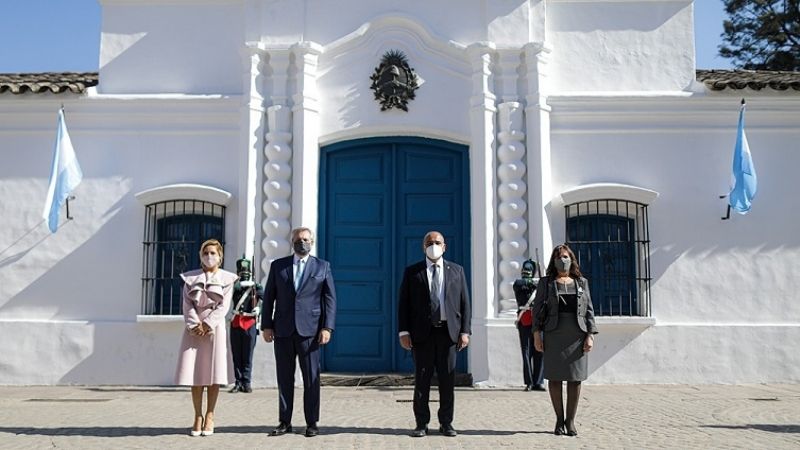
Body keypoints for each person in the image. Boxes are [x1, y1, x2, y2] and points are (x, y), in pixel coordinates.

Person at [261, 227, 337, 438]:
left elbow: (330, 300)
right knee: (284, 378)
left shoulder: (322, 267)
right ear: (292, 241)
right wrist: (266, 325)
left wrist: (327, 327)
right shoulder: (279, 266)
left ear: (311, 242)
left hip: (310, 332)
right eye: (298, 239)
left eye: (305, 239)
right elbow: (269, 298)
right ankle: (285, 421)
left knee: (311, 378)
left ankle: (312, 422)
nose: (301, 242)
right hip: (283, 330)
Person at [398, 231, 471, 438]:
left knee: (447, 380)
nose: (433, 245)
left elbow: (465, 303)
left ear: (444, 246)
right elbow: (404, 305)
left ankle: (446, 423)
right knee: (422, 380)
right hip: (423, 334)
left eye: (437, 242)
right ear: (423, 247)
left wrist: (465, 331)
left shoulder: (457, 271)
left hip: (448, 334)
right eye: (429, 243)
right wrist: (404, 331)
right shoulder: (413, 272)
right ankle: (421, 423)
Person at [532, 244, 598, 437]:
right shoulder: (546, 283)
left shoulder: (582, 282)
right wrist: (537, 334)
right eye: (560, 257)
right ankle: (559, 420)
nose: (563, 260)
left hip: (577, 335)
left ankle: (570, 422)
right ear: (554, 261)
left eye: (566, 257)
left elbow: (590, 311)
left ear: (572, 259)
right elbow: (536, 311)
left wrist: (590, 334)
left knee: (575, 379)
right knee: (554, 378)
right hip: (554, 333)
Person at [174, 238, 238, 437]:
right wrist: (194, 324)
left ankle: (210, 414)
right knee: (195, 374)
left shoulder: (227, 279)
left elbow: (224, 306)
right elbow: (187, 304)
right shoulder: (190, 278)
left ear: (220, 256)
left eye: (213, 253)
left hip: (214, 329)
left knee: (214, 374)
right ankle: (197, 416)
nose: (209, 256)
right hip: (194, 330)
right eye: (205, 253)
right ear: (200, 256)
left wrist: (208, 324)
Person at [228, 256, 262, 393]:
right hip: (236, 322)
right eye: (242, 271)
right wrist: (238, 283)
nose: (244, 273)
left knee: (247, 355)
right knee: (237, 354)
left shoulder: (256, 286)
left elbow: (267, 299)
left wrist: (259, 309)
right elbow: (229, 292)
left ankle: (246, 382)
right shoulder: (234, 286)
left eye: (246, 271)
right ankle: (238, 381)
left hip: (249, 323)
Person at [513, 259, 545, 391]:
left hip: (538, 321)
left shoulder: (538, 285)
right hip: (524, 321)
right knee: (526, 352)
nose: (526, 272)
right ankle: (529, 382)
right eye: (524, 270)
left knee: (539, 351)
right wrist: (537, 282)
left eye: (529, 270)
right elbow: (522, 284)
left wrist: (542, 282)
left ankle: (538, 381)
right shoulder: (519, 284)